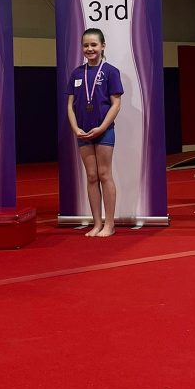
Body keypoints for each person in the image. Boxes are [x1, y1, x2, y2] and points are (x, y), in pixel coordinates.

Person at [66, 28, 123, 237]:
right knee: (91, 176)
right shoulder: (76, 73)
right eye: (86, 45)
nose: (89, 49)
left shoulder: (110, 72)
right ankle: (97, 223)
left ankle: (110, 224)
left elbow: (116, 104)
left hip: (104, 131)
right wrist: (75, 128)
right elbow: (70, 105)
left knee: (104, 174)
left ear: (102, 46)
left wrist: (103, 127)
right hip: (83, 132)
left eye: (93, 45)